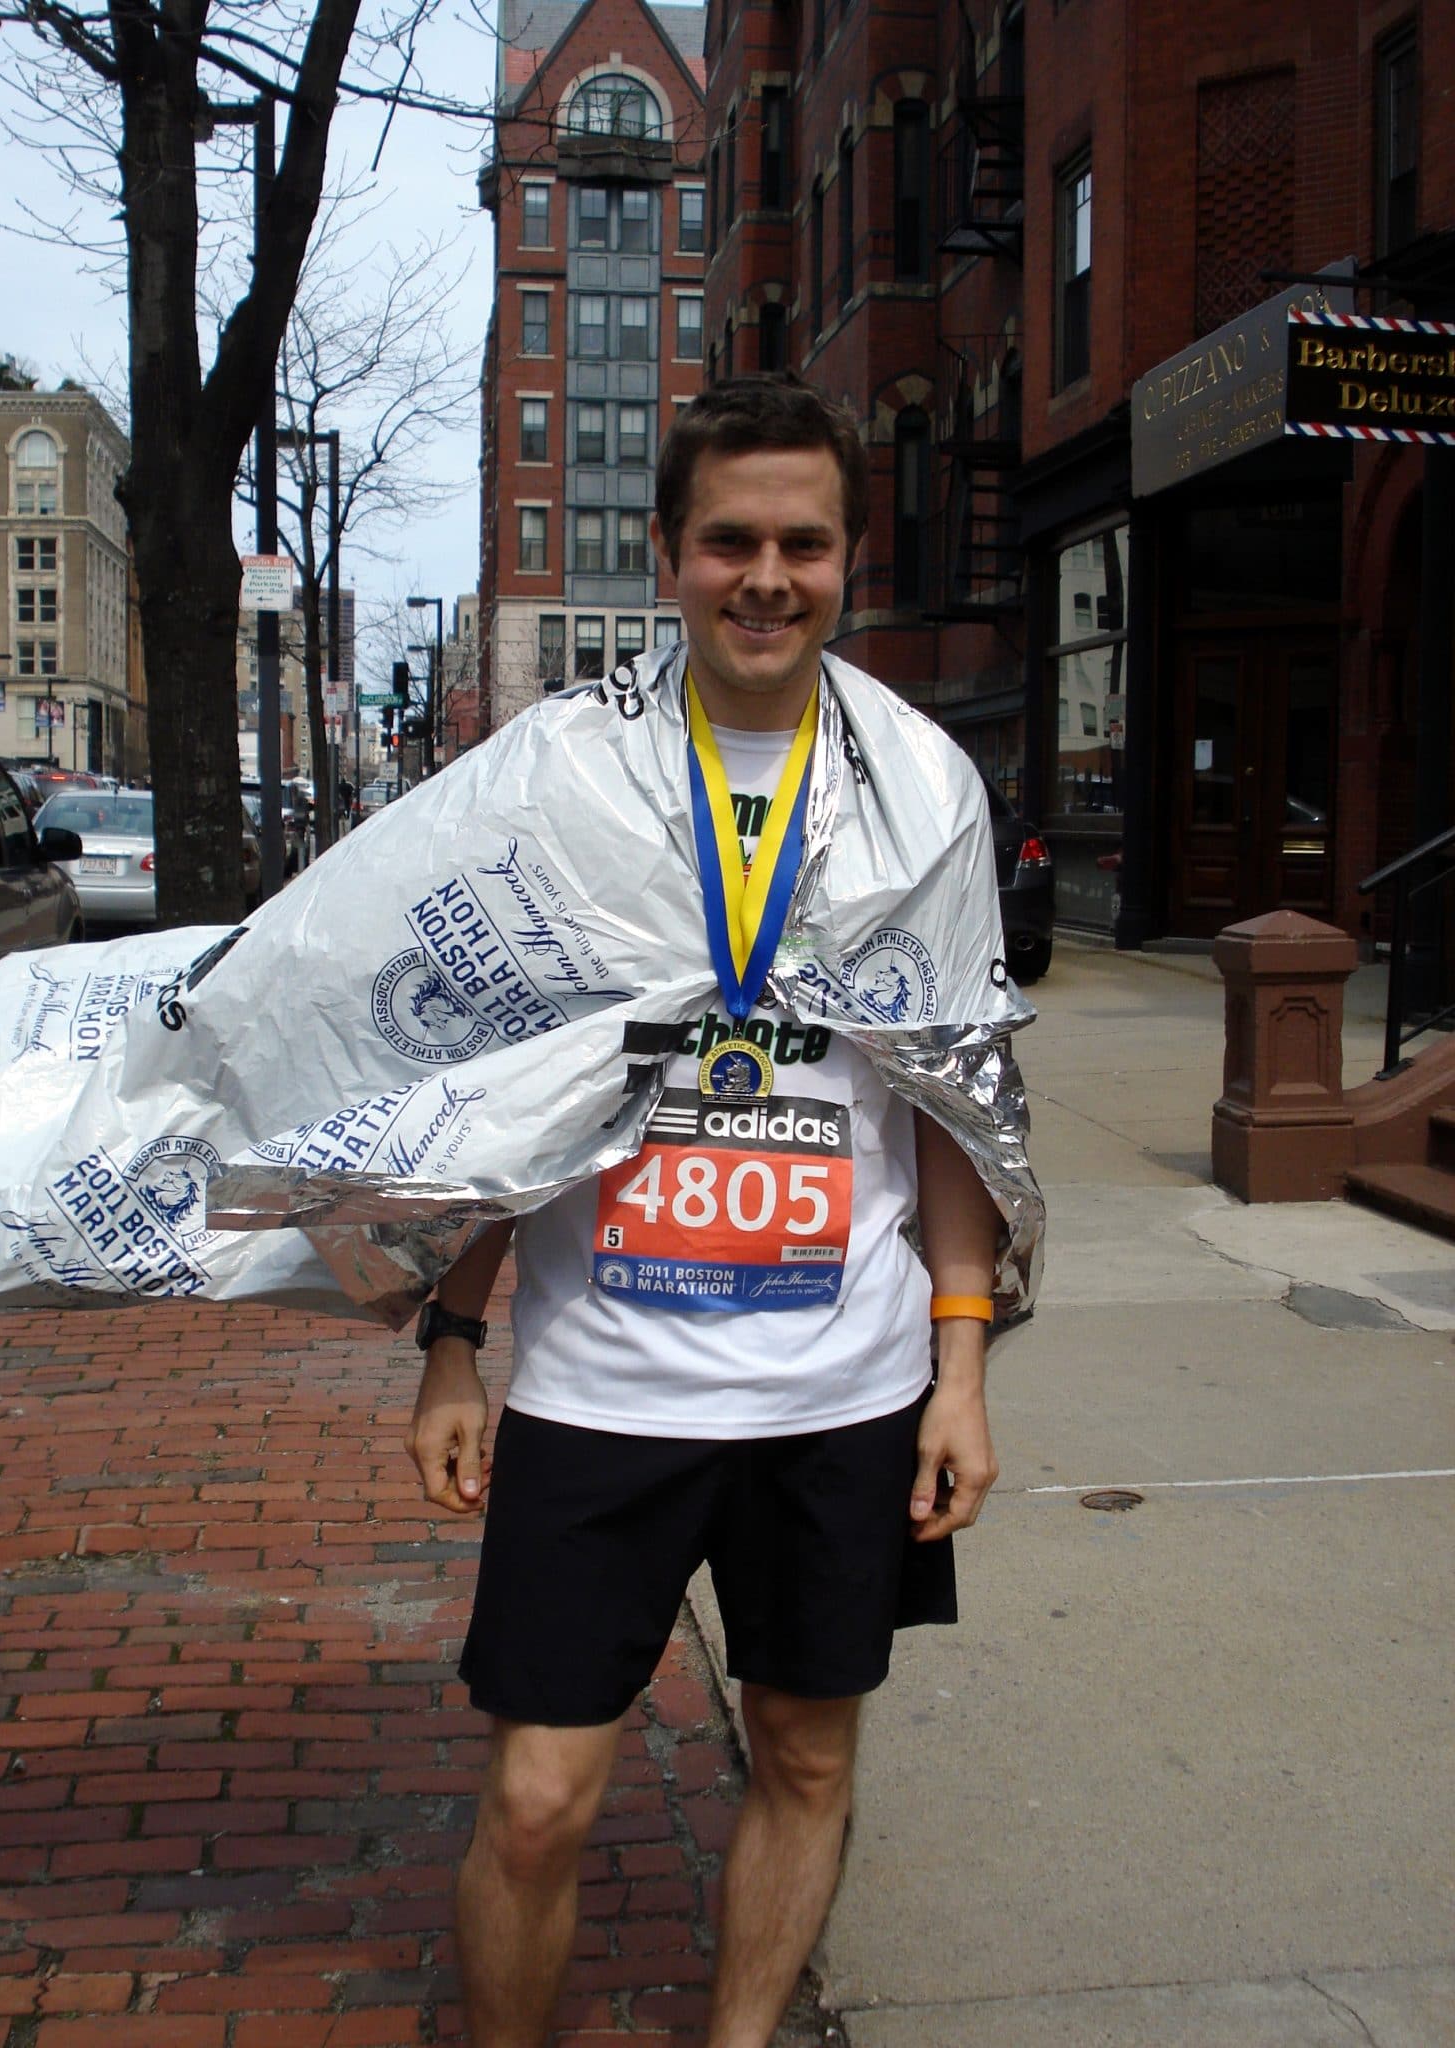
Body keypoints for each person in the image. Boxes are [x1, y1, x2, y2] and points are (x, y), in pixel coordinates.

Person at [405, 376, 1010, 2048]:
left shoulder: (924, 786)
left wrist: (961, 1366)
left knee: (806, 1753)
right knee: (540, 1795)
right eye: (731, 540)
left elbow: (956, 1102)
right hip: (603, 1386)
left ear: (850, 559)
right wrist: (454, 1339)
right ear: (667, 552)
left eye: (803, 544)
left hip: (844, 1388)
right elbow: (493, 1080)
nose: (767, 577)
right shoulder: (562, 775)